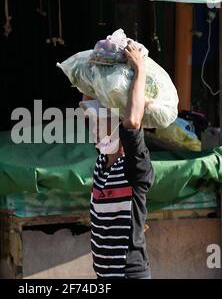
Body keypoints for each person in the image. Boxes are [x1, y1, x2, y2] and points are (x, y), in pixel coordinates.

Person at [82, 42, 155, 279]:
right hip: (105, 275)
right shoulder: (103, 164)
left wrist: (139, 70)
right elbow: (88, 101)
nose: (92, 127)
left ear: (115, 124)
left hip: (128, 274)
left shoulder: (135, 168)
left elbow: (133, 121)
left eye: (97, 122)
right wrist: (95, 66)